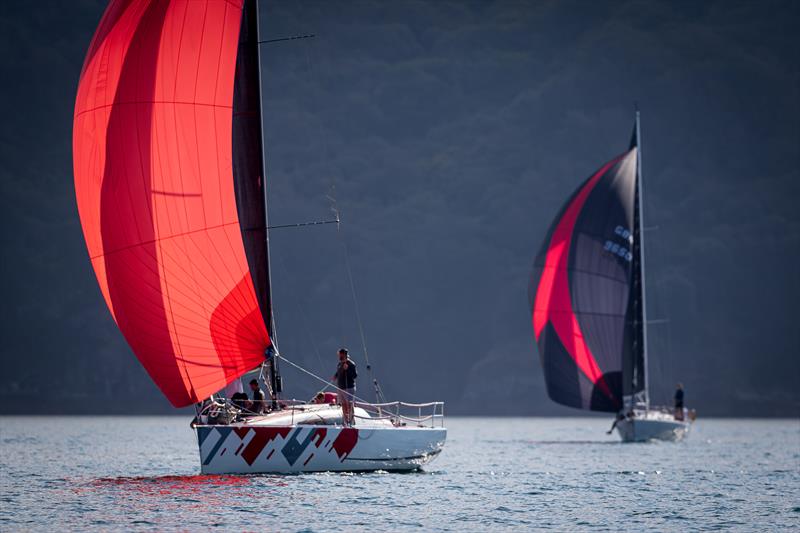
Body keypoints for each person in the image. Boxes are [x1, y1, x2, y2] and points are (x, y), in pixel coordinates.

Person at [332, 348, 357, 426]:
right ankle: (346, 422)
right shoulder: (339, 364)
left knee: (349, 405)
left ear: (344, 354)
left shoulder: (351, 364)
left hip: (349, 388)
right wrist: (335, 376)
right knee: (343, 405)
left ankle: (351, 422)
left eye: (340, 354)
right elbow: (339, 372)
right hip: (340, 388)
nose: (339, 356)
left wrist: (348, 369)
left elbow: (355, 375)